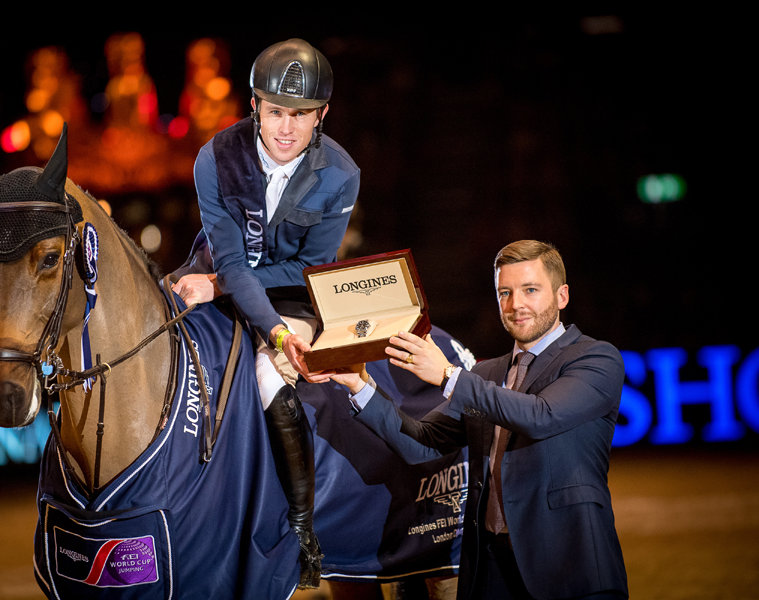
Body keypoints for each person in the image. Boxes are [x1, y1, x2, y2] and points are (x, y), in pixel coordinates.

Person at [331, 240, 628, 600]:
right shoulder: (486, 373)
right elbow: (422, 443)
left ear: (562, 296)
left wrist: (448, 376)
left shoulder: (596, 358)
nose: (515, 304)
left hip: (570, 564)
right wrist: (360, 385)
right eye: (505, 292)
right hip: (490, 568)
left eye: (530, 290)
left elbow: (541, 416)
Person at [172, 38, 360, 589]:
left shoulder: (341, 174)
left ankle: (301, 529)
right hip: (212, 275)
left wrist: (274, 334)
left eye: (301, 115)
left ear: (322, 114)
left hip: (289, 295)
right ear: (255, 105)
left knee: (266, 374)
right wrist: (217, 283)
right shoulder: (214, 157)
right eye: (276, 111)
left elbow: (310, 266)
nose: (285, 128)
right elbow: (230, 261)